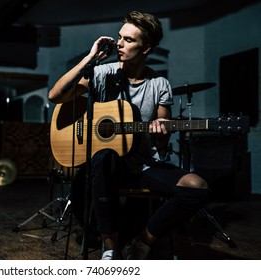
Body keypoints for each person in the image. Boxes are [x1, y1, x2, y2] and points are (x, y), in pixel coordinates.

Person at [48, 11, 210, 260]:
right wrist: (90, 58)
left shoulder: (160, 84)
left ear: (146, 48)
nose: (119, 44)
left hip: (145, 166)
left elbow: (162, 141)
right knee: (103, 157)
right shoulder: (103, 73)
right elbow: (56, 96)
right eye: (119, 37)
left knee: (197, 187)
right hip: (108, 167)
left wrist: (161, 132)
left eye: (129, 40)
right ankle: (110, 246)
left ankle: (143, 241)